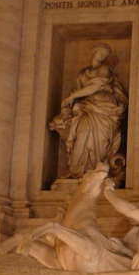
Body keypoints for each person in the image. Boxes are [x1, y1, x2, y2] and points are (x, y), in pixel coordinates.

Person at [50, 42, 128, 178]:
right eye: (100, 52)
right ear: (94, 52)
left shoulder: (105, 69)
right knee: (81, 134)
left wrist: (72, 96)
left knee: (100, 140)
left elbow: (95, 86)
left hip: (104, 108)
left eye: (105, 54)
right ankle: (78, 170)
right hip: (87, 107)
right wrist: (73, 102)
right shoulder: (83, 73)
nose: (102, 56)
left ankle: (95, 171)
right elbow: (81, 90)